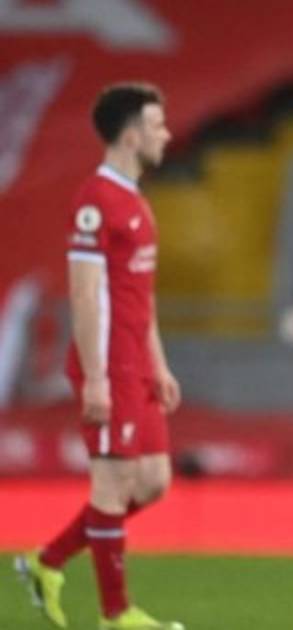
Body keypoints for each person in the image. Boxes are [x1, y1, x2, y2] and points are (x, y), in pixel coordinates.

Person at [14, 83, 183, 630]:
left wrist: (158, 362)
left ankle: (47, 562)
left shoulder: (135, 201)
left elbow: (140, 295)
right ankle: (117, 614)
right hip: (108, 363)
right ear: (131, 136)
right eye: (156, 126)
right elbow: (85, 294)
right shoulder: (96, 202)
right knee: (112, 487)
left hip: (137, 362)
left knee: (153, 481)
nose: (166, 135)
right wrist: (94, 378)